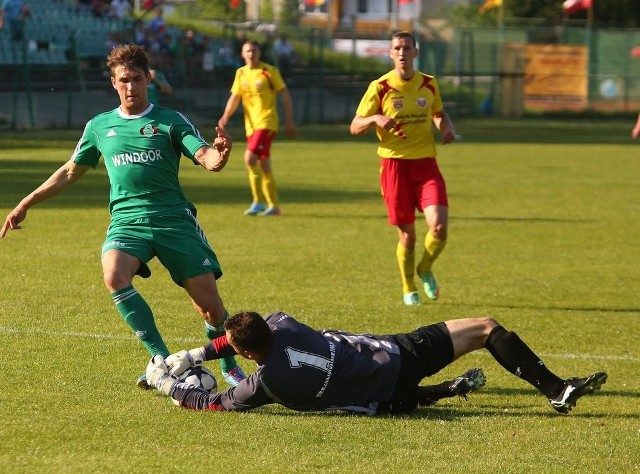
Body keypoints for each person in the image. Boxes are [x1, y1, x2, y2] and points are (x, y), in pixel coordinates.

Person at [0, 44, 247, 388]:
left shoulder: (170, 121)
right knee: (114, 275)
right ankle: (161, 359)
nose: (130, 86)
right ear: (113, 83)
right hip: (127, 221)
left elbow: (205, 156)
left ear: (149, 79)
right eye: (123, 80)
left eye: (136, 79)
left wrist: (220, 156)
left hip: (173, 220)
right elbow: (71, 171)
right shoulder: (100, 126)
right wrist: (26, 201)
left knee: (211, 310)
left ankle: (228, 363)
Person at [146, 310, 607, 416]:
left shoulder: (273, 384)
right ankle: (554, 389)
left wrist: (170, 378)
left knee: (392, 400)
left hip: (384, 394)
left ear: (245, 354)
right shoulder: (283, 322)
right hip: (399, 352)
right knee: (486, 327)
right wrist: (197, 354)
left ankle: (443, 392)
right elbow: (244, 336)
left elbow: (214, 402)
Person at [350, 31, 456, 306]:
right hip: (394, 166)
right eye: (396, 48)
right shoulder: (380, 87)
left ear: (415, 53)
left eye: (406, 48)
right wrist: (375, 118)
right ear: (390, 53)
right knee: (407, 236)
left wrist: (446, 128)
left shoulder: (429, 84)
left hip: (425, 165)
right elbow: (354, 126)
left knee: (440, 227)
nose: (401, 53)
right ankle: (409, 287)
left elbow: (438, 113)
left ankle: (425, 268)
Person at [218, 39, 296, 217]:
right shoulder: (241, 73)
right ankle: (274, 206)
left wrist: (289, 121)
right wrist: (226, 116)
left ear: (259, 53)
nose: (251, 54)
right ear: (242, 54)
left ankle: (258, 201)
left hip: (267, 122)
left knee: (249, 158)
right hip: (251, 126)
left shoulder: (269, 71)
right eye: (248, 51)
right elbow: (235, 97)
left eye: (254, 50)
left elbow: (284, 94)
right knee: (263, 164)